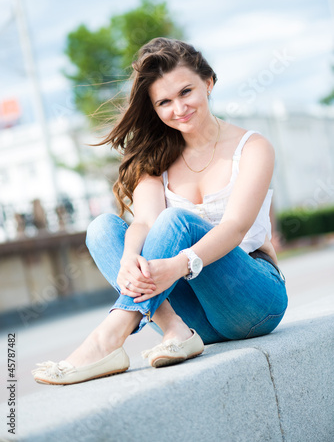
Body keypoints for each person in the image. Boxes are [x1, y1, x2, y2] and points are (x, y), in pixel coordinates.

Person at [32, 37, 288, 385]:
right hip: (195, 317)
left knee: (177, 219)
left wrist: (178, 265)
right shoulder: (157, 157)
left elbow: (235, 227)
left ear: (208, 83)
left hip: (252, 302)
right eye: (164, 102)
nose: (178, 108)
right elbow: (145, 222)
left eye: (186, 92)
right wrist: (128, 257)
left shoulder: (252, 146)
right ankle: (175, 331)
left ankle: (109, 337)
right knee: (104, 228)